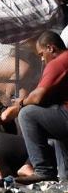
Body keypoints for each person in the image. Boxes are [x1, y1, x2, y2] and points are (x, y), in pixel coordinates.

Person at [16, 31, 68, 184]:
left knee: (27, 114)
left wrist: (20, 104)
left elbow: (37, 96)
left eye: (41, 54)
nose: (41, 59)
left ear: (51, 48)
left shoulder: (59, 62)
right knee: (58, 131)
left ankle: (43, 170)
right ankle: (65, 181)